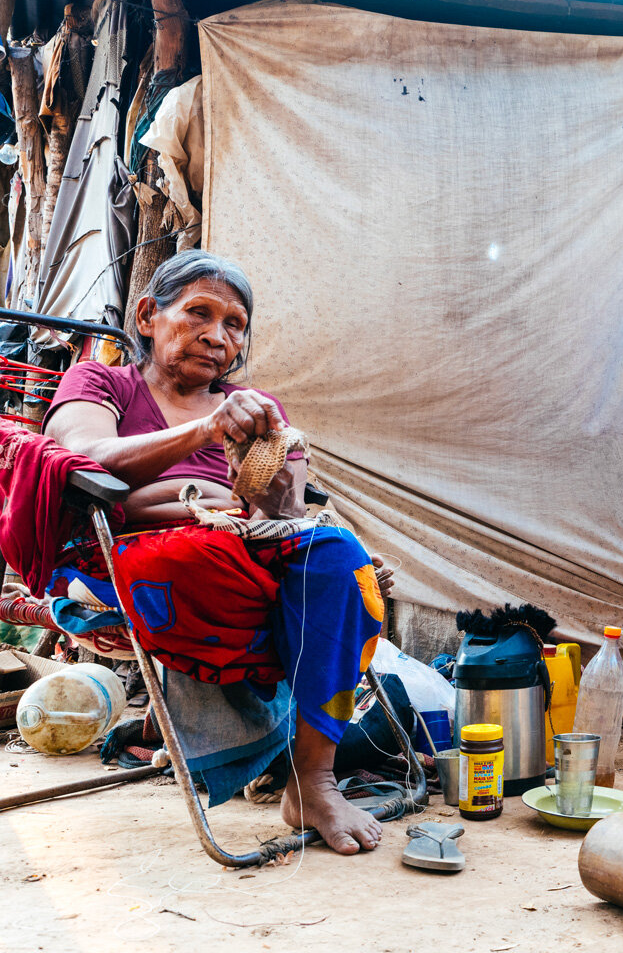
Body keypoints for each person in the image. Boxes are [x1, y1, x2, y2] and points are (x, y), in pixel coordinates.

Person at [43, 249, 391, 855]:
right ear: (149, 315)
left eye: (234, 324)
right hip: (130, 556)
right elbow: (85, 462)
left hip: (237, 553)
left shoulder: (258, 409)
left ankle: (312, 780)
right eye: (198, 312)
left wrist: (273, 493)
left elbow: (280, 519)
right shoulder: (101, 382)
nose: (218, 335)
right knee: (189, 562)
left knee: (337, 562)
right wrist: (204, 446)